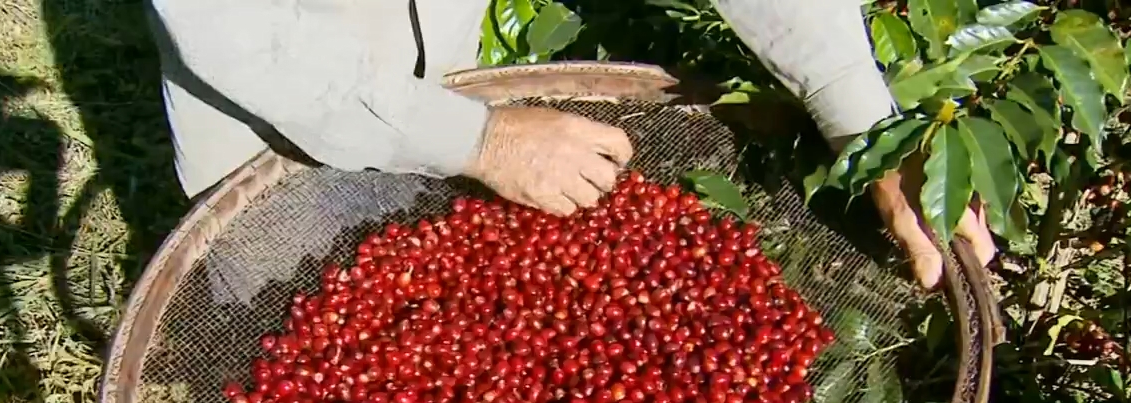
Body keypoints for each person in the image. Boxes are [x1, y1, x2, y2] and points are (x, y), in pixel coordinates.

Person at [148, 0, 995, 290]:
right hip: (271, 115)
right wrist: (475, 139)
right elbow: (232, 29)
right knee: (303, 368)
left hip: (438, 69)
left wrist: (864, 120)